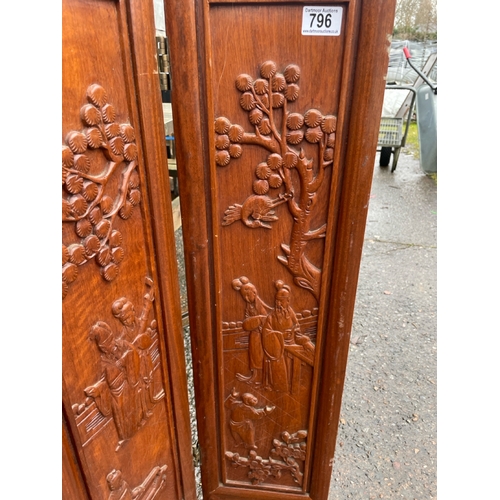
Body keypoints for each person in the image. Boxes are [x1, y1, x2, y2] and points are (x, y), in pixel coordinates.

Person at [85, 321, 142, 450]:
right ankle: (125, 438)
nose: (107, 350)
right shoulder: (104, 358)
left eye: (108, 345)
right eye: (103, 348)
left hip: (127, 385)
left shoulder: (123, 346)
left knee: (131, 410)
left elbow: (133, 353)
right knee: (119, 414)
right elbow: (104, 377)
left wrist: (124, 360)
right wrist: (98, 388)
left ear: (112, 339)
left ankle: (133, 433)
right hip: (115, 392)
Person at [232, 277, 271, 385]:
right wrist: (252, 322)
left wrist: (257, 321)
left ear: (254, 293)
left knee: (260, 355)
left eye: (248, 295)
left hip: (262, 335)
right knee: (253, 354)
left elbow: (266, 318)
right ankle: (254, 375)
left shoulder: (259, 304)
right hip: (254, 334)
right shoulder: (249, 306)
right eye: (244, 297)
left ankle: (263, 377)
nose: (246, 298)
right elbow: (247, 319)